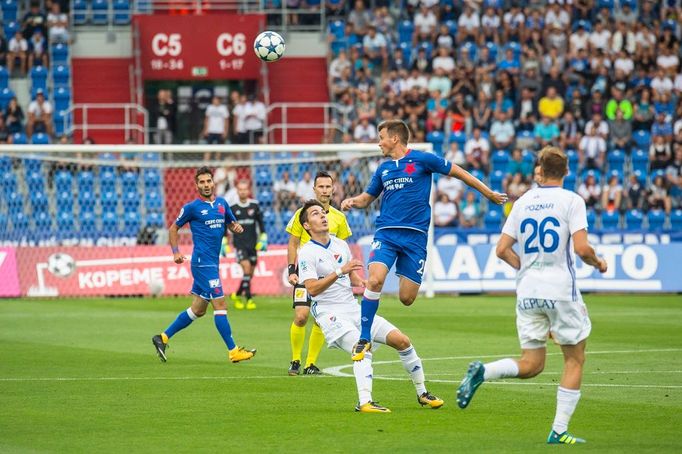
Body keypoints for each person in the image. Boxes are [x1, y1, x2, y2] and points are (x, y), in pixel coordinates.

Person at [456, 146, 608, 445]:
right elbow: (581, 248)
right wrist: (598, 262)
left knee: (532, 364)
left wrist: (526, 268)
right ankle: (559, 430)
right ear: (565, 171)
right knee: (575, 359)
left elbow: (501, 250)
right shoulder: (571, 201)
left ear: (540, 171)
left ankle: (484, 372)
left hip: (527, 290)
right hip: (560, 290)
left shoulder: (523, 202)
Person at [340, 120, 507, 361]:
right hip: (386, 233)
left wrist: (488, 192)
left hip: (415, 238)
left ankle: (376, 315)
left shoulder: (423, 160)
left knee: (407, 298)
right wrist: (353, 200)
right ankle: (364, 337)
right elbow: (368, 198)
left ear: (395, 138)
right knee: (374, 280)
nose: (379, 143)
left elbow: (460, 173)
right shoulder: (383, 169)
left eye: (382, 137)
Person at [296, 200, 444, 413]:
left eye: (323, 212)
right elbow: (311, 289)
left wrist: (362, 282)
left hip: (354, 309)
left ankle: (422, 393)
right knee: (361, 348)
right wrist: (340, 271)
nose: (322, 216)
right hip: (329, 314)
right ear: (307, 225)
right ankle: (365, 402)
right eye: (315, 214)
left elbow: (352, 276)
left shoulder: (340, 245)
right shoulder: (307, 253)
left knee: (402, 341)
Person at [151, 167, 256, 364]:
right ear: (196, 185)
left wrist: (236, 227)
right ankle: (233, 351)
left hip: (212, 263)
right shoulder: (192, 208)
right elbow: (173, 228)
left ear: (213, 183)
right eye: (202, 182)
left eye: (209, 181)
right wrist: (176, 252)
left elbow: (231, 223)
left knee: (198, 310)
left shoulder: (222, 204)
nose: (206, 185)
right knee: (221, 304)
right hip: (202, 264)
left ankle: (162, 338)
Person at [286, 171, 352, 375]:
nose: (324, 190)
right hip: (306, 274)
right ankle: (295, 360)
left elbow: (342, 248)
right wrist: (291, 269)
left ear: (333, 189)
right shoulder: (302, 214)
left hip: (329, 278)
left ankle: (310, 364)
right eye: (320, 186)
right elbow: (293, 242)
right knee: (301, 316)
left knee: (320, 319)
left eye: (327, 186)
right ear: (314, 189)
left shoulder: (339, 218)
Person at [229, 180, 266, 310]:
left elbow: (260, 222)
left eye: (245, 189)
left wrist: (263, 236)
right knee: (246, 268)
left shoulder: (254, 205)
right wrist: (224, 240)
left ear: (248, 190)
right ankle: (249, 299)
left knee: (250, 273)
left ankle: (237, 294)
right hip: (239, 244)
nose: (243, 192)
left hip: (252, 244)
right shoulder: (233, 208)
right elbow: (226, 225)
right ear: (237, 191)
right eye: (240, 189)